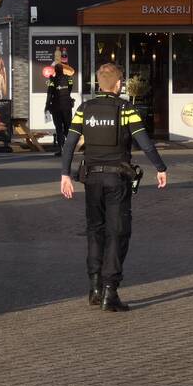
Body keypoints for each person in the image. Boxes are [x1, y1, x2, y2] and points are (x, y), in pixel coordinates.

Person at [58, 63, 168, 311]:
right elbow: (146, 144)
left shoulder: (84, 109)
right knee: (118, 233)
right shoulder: (126, 109)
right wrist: (161, 168)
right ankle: (110, 291)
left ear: (99, 84)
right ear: (118, 84)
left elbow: (69, 144)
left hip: (91, 179)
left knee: (95, 231)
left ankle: (94, 287)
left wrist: (65, 174)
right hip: (117, 180)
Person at [45, 63, 74, 156]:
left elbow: (49, 93)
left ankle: (61, 149)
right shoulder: (69, 79)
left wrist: (47, 105)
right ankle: (70, 150)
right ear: (62, 70)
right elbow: (70, 89)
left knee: (59, 128)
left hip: (56, 107)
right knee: (68, 127)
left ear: (55, 71)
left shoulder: (52, 80)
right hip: (67, 106)